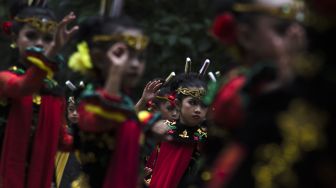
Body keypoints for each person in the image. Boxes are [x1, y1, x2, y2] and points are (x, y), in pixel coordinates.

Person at [68, 15, 165, 188]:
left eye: (140, 57)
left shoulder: (123, 102)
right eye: (122, 54)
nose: (135, 64)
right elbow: (102, 120)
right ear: (98, 58)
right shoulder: (89, 99)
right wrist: (114, 75)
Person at [0, 2, 78, 188]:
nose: (40, 43)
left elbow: (63, 142)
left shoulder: (54, 92)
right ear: (14, 37)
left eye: (48, 38)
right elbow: (23, 87)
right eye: (31, 35)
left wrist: (92, 134)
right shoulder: (5, 79)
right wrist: (52, 51)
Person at [149, 73, 208, 188]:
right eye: (192, 102)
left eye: (203, 105)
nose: (198, 110)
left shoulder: (207, 138)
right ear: (177, 104)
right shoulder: (161, 129)